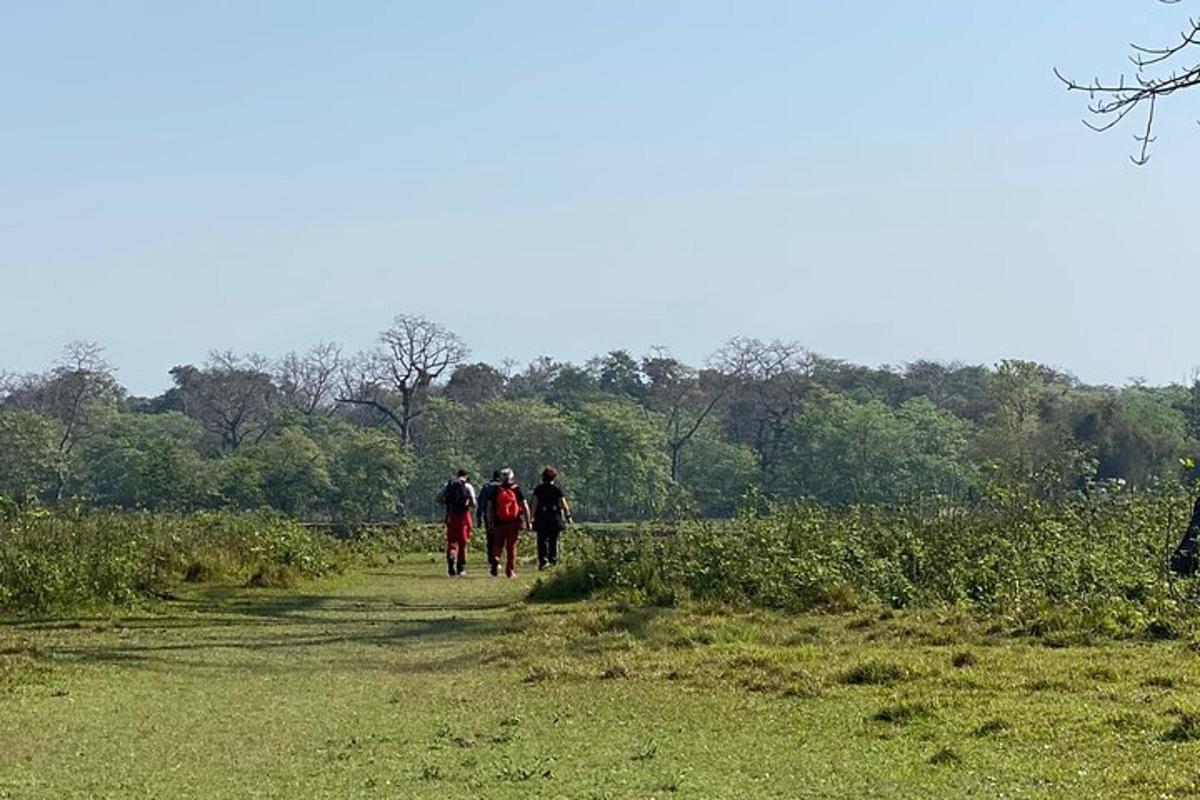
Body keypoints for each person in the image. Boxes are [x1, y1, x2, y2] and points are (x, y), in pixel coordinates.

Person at [486, 468, 530, 578]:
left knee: (498, 544)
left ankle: (496, 558)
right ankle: (510, 571)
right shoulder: (516, 489)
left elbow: (490, 506)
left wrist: (490, 521)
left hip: (499, 522)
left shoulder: (496, 489)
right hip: (513, 522)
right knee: (511, 546)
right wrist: (528, 521)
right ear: (512, 477)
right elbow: (525, 506)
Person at [531, 466, 572, 570]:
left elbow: (534, 504)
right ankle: (553, 560)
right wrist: (568, 516)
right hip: (554, 518)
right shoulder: (557, 490)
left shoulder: (538, 489)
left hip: (542, 518)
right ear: (554, 478)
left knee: (542, 540)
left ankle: (543, 561)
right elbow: (563, 504)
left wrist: (531, 518)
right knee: (553, 540)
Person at [440, 470, 476, 576]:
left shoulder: (448, 485)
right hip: (464, 517)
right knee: (463, 543)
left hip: (451, 516)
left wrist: (448, 503)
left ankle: (451, 561)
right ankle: (461, 568)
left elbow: (438, 498)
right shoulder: (468, 486)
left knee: (452, 542)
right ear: (466, 476)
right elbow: (474, 503)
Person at [476, 471, 502, 571]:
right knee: (499, 538)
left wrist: (479, 516)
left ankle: (491, 558)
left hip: (488, 515)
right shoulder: (502, 487)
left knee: (490, 537)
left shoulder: (486, 487)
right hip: (501, 516)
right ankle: (497, 557)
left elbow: (481, 502)